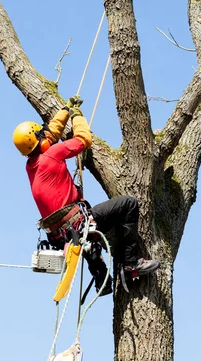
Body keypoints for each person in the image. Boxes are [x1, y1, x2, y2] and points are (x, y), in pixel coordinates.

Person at [12, 96, 159, 293]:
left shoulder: (30, 165)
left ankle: (101, 278)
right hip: (78, 224)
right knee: (129, 204)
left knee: (86, 236)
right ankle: (131, 263)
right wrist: (77, 117)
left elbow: (50, 133)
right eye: (41, 136)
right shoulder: (52, 154)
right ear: (39, 142)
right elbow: (84, 139)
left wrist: (66, 109)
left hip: (61, 235)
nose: (46, 136)